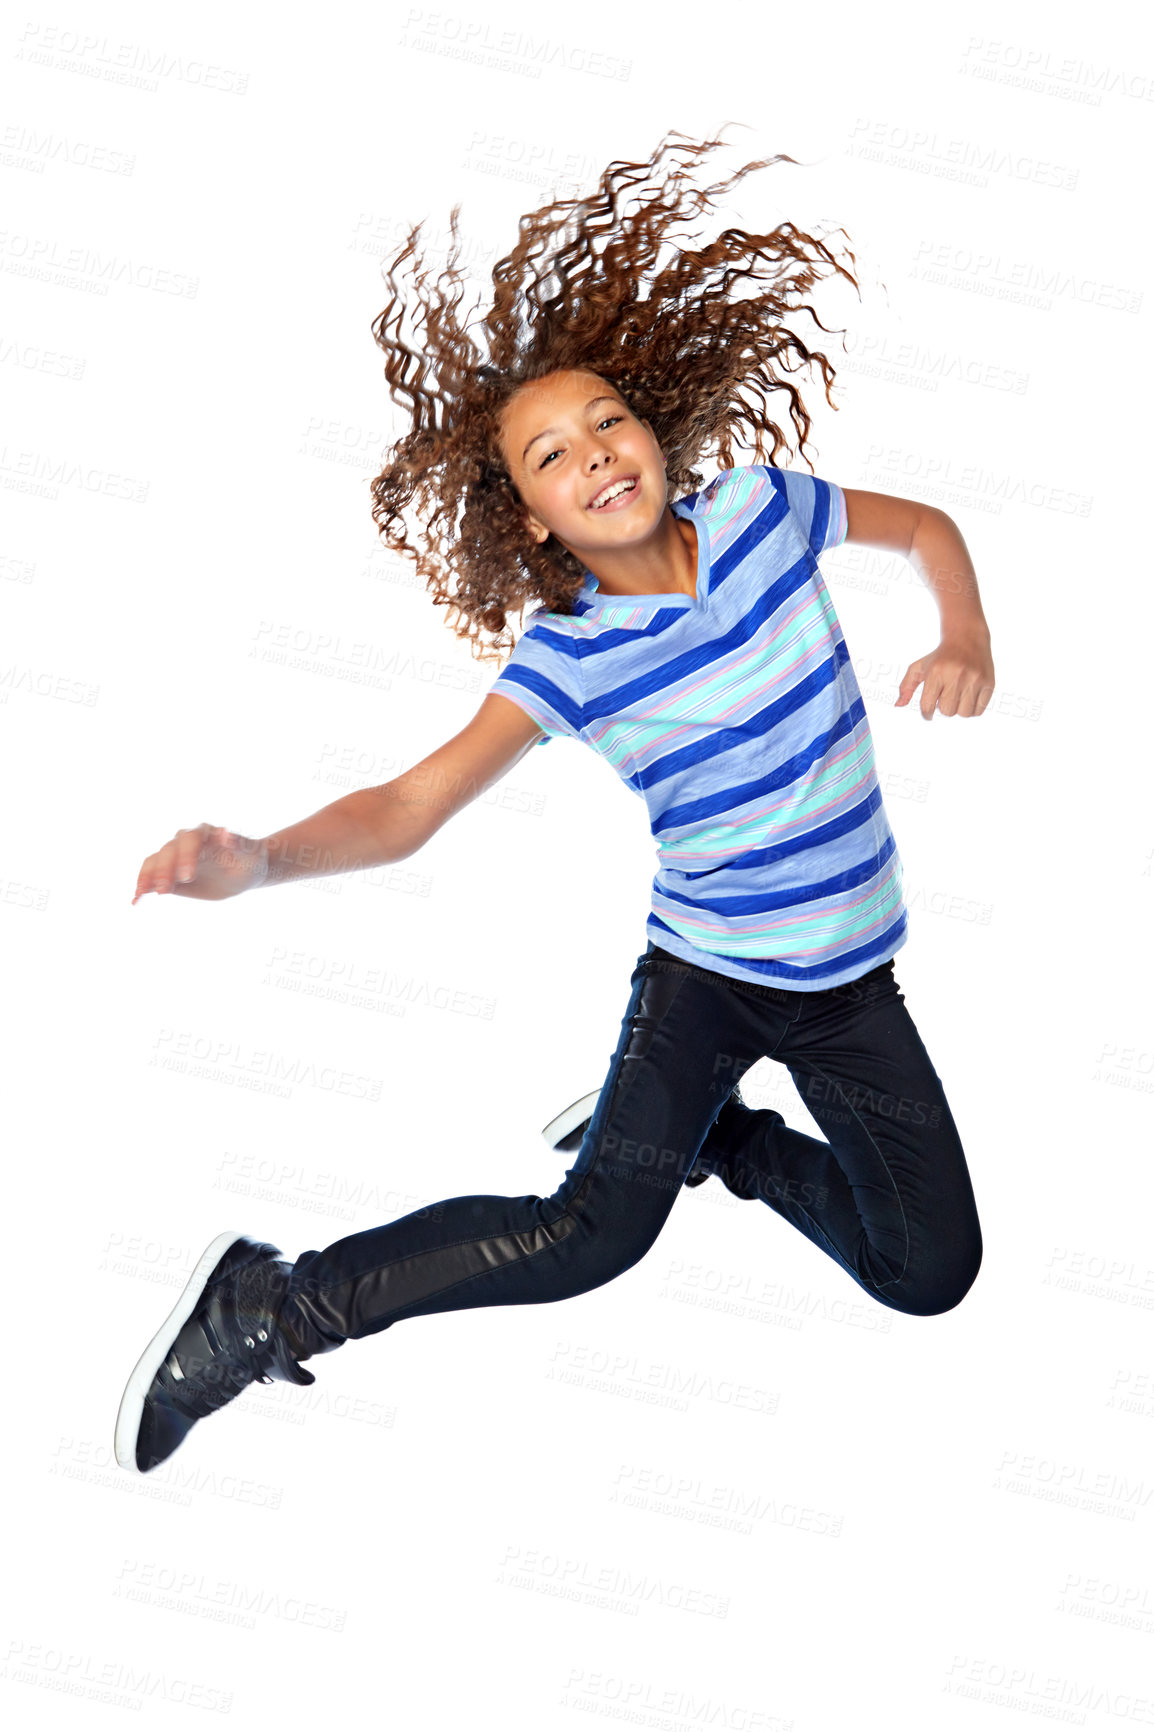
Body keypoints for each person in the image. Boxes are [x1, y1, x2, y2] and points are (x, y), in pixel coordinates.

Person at [116, 129, 994, 1476]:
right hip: (706, 979)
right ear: (528, 518)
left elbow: (927, 528)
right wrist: (258, 860)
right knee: (587, 1238)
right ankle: (267, 1307)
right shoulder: (570, 659)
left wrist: (961, 637)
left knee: (928, 1271)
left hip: (852, 984)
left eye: (607, 423)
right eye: (548, 455)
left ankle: (732, 1145)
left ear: (655, 434)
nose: (592, 454)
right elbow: (411, 806)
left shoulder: (764, 510)